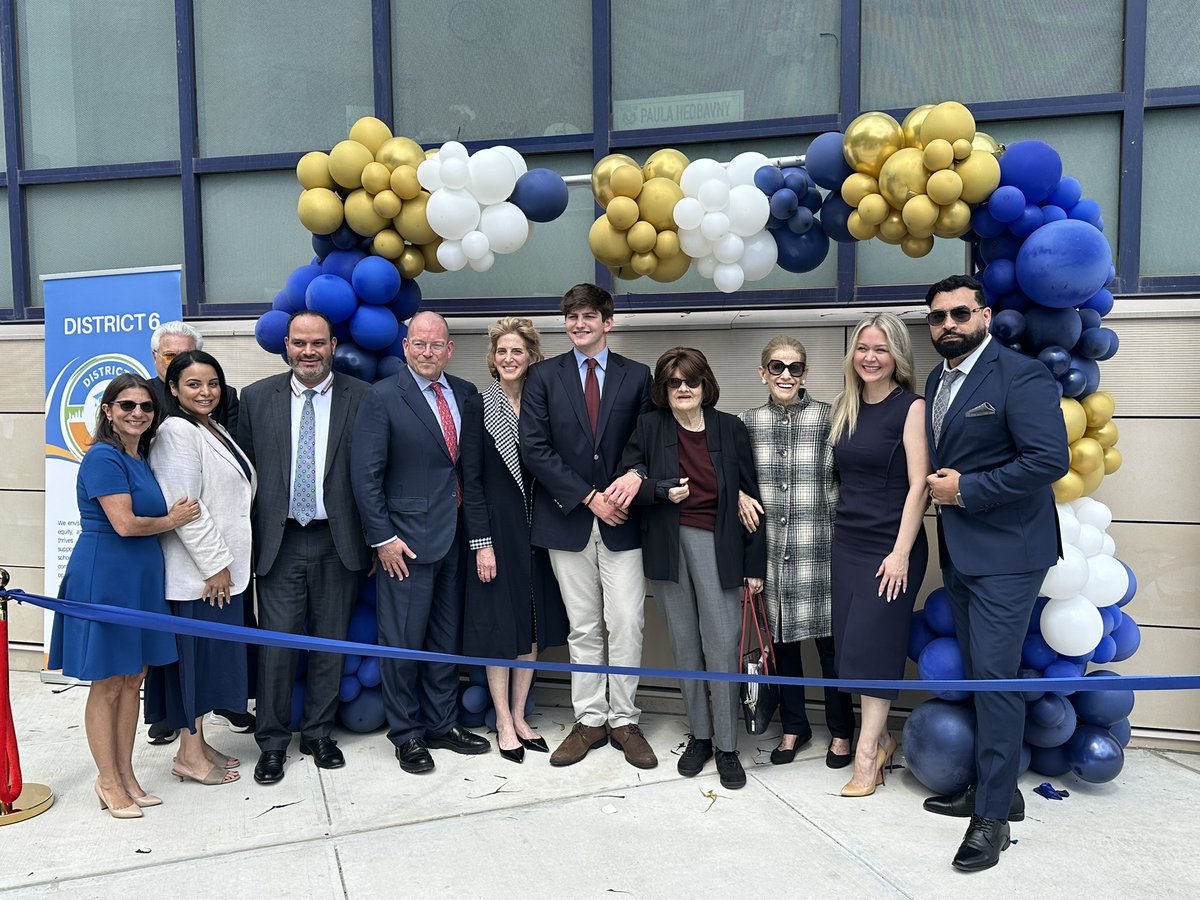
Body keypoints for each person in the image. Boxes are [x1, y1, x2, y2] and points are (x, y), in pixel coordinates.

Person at [919, 274, 1069, 872]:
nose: (948, 325)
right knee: (984, 676)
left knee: (996, 680)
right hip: (961, 552)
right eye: (937, 318)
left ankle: (992, 823)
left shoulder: (1021, 374)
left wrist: (966, 491)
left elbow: (1048, 460)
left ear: (984, 314)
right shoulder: (937, 379)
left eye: (959, 314)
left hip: (1009, 555)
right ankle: (996, 791)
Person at [48, 374, 199, 818]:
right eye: (127, 405)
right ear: (108, 411)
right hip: (106, 576)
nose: (137, 413)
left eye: (146, 407)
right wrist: (173, 521)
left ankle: (127, 773)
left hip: (141, 579)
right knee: (109, 681)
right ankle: (107, 780)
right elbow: (125, 524)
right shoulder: (103, 457)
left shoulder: (141, 456)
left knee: (133, 679)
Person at [618, 347, 766, 790]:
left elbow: (752, 498)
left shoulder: (730, 427)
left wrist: (754, 565)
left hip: (719, 546)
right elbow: (629, 485)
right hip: (667, 546)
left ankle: (727, 746)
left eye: (691, 381)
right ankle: (699, 737)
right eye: (673, 382)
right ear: (663, 389)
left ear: (706, 385)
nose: (683, 389)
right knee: (686, 645)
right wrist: (662, 491)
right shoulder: (648, 427)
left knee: (722, 644)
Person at [522, 283, 656, 770]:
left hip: (623, 521)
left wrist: (633, 476)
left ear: (608, 322)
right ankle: (590, 720)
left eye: (589, 317)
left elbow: (649, 440)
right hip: (569, 520)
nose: (580, 325)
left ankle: (625, 720)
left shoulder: (637, 376)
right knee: (583, 627)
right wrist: (588, 497)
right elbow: (534, 447)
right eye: (572, 317)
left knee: (626, 621)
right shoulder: (543, 376)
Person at [351, 311, 490, 774]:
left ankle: (441, 723)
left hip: (456, 537)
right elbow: (365, 476)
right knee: (403, 642)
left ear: (450, 350)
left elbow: (467, 469)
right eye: (419, 344)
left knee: (444, 640)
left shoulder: (467, 394)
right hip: (405, 544)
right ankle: (406, 734)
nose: (427, 353)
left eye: (437, 345)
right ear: (405, 348)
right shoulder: (383, 396)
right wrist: (382, 539)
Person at [237, 310, 371, 785]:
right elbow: (242, 479)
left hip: (340, 540)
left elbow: (373, 473)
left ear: (333, 345)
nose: (308, 352)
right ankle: (272, 743)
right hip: (280, 540)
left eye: (317, 343)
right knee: (277, 647)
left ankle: (317, 733)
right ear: (286, 346)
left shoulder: (362, 397)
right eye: (299, 343)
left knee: (330, 643)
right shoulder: (254, 400)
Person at [739, 336, 855, 767]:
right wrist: (736, 493)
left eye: (795, 367)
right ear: (762, 372)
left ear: (805, 373)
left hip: (822, 552)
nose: (785, 374)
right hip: (770, 558)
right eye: (776, 366)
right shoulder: (746, 422)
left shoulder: (832, 418)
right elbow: (730, 474)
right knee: (782, 649)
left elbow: (850, 480)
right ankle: (794, 728)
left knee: (831, 650)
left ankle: (842, 732)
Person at [828, 313, 929, 797]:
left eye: (881, 349)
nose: (870, 357)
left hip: (892, 547)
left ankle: (867, 756)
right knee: (852, 646)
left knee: (874, 647)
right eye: (864, 348)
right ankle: (883, 738)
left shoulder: (911, 407)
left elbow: (919, 488)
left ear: (897, 357)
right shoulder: (844, 407)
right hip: (847, 543)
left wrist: (901, 553)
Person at [146, 351, 257, 786]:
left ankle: (199, 744)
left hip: (223, 574)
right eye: (193, 384)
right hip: (201, 578)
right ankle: (189, 756)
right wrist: (215, 568)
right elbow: (185, 508)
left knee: (211, 664)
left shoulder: (213, 428)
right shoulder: (175, 432)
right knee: (194, 665)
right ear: (172, 388)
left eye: (212, 383)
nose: (205, 392)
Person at [460, 317, 568, 764]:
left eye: (517, 352)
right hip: (496, 534)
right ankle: (503, 719)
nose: (508, 359)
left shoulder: (545, 405)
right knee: (499, 627)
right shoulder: (478, 405)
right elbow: (472, 481)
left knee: (534, 625)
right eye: (501, 351)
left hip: (540, 531)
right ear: (493, 358)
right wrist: (482, 542)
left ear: (531, 357)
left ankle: (522, 714)